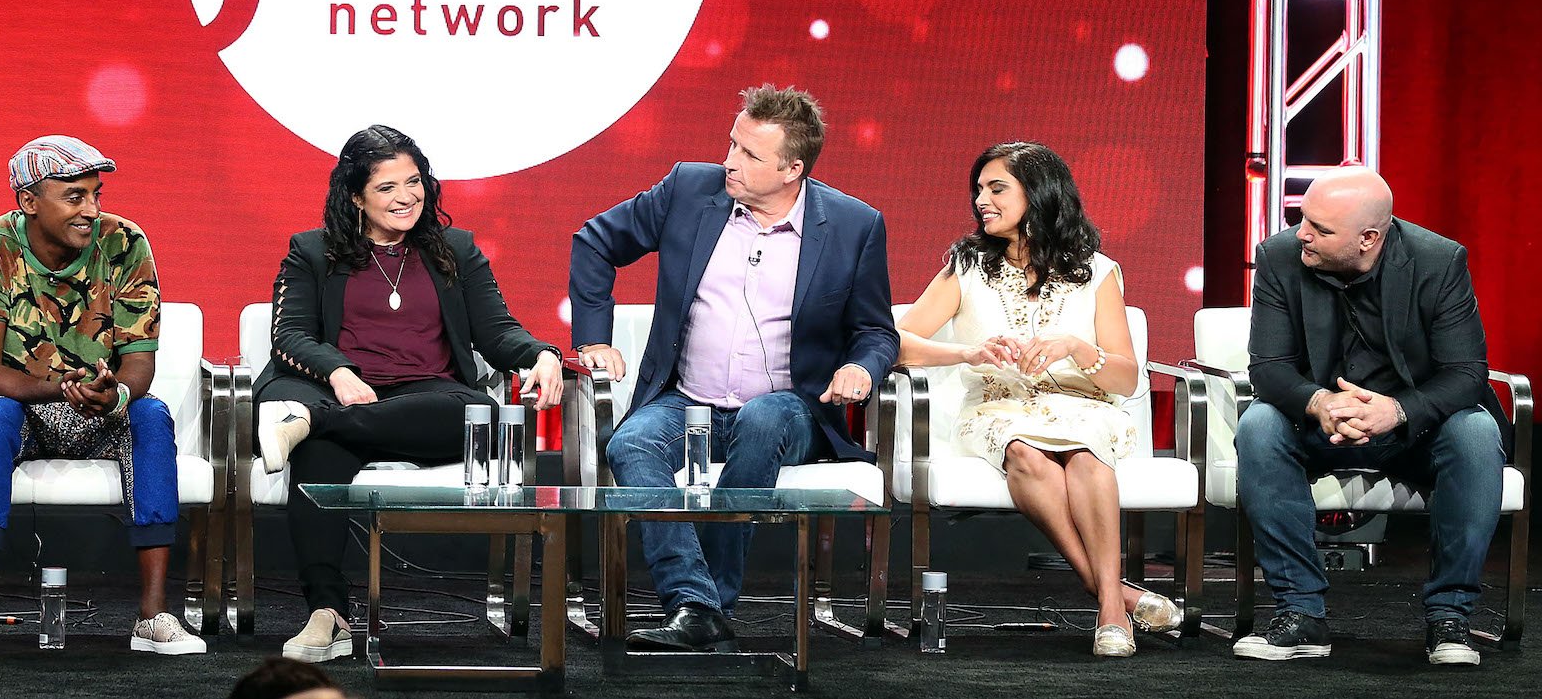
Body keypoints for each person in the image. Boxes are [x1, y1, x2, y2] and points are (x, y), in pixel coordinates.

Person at [570, 84, 896, 652]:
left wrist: (863, 369)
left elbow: (876, 329)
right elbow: (595, 241)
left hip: (788, 407)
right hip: (685, 399)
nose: (730, 162)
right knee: (630, 445)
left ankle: (710, 604)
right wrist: (594, 340)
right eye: (731, 145)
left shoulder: (853, 225)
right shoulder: (690, 189)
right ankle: (695, 603)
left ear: (793, 168)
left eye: (750, 155)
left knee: (764, 419)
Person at [253, 125, 565, 663]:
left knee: (479, 414)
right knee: (316, 459)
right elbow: (290, 335)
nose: (406, 198)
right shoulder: (312, 251)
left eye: (414, 182)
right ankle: (327, 614)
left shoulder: (454, 249)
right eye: (387, 188)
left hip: (426, 399)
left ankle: (312, 423)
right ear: (355, 196)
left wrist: (542, 352)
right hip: (345, 393)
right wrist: (338, 372)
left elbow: (496, 331)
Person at [895, 142, 1180, 657]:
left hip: (1084, 408)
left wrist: (1076, 348)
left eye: (997, 188)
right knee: (1024, 450)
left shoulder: (1098, 272)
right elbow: (898, 342)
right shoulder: (967, 266)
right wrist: (968, 350)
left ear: (1040, 194)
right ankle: (1111, 597)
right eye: (979, 189)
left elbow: (1123, 376)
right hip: (998, 411)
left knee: (1086, 454)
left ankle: (1111, 605)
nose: (982, 200)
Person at [0, 135, 205, 657]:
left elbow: (140, 363)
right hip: (25, 409)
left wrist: (114, 394)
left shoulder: (125, 242)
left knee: (150, 414)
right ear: (29, 201)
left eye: (95, 195)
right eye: (74, 197)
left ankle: (153, 616)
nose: (92, 210)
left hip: (103, 413)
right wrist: (63, 389)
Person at [1233, 166, 1503, 666]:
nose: (1302, 235)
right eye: (1302, 219)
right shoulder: (1280, 256)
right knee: (1259, 424)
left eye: (1321, 229)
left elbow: (1467, 372)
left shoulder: (1438, 261)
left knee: (1476, 430)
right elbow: (1268, 368)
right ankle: (1300, 614)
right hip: (1321, 424)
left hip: (1413, 428)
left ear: (1369, 238)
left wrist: (1397, 410)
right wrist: (1320, 404)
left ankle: (1450, 617)